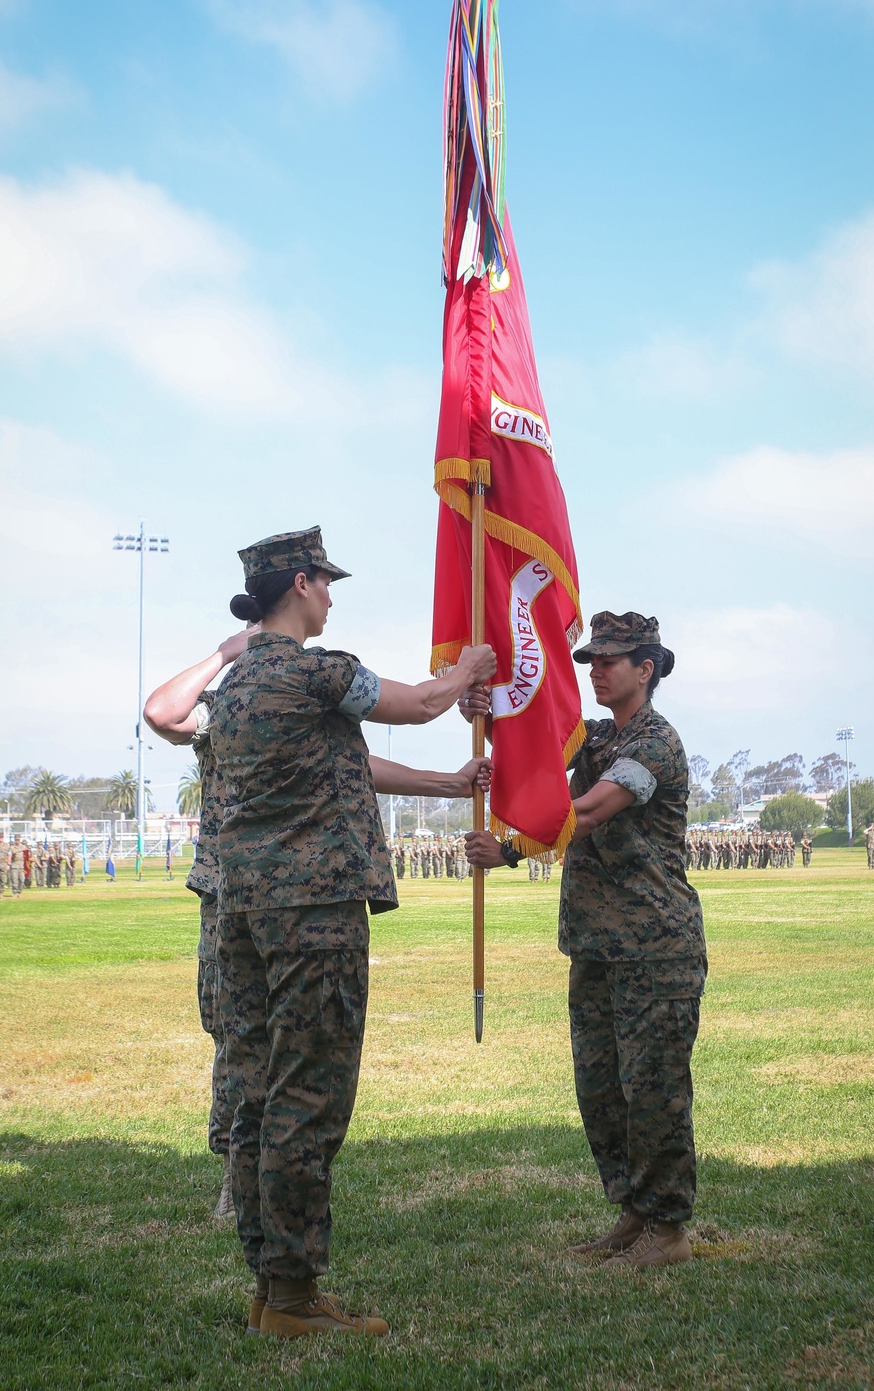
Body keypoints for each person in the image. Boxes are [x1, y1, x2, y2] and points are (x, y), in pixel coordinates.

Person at [203, 526, 494, 1339]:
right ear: (300, 583)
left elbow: (348, 763)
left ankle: (269, 1284)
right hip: (313, 916)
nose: (331, 596)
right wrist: (469, 668)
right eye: (326, 583)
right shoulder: (319, 671)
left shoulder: (237, 688)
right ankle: (294, 1300)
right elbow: (422, 704)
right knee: (307, 1098)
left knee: (260, 1097)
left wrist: (445, 781)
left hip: (244, 913)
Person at [466, 610, 705, 1269]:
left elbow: (594, 810)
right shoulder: (591, 738)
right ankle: (635, 1212)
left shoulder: (655, 742)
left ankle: (670, 1228)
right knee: (602, 1089)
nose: (595, 670)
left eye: (610, 660)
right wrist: (482, 705)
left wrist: (510, 849)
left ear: (645, 669)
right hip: (598, 945)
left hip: (655, 946)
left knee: (653, 1088)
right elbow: (528, 739)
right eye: (590, 660)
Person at [145, 629, 259, 1222]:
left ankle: (278, 1173)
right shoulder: (222, 710)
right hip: (225, 886)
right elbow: (161, 712)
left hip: (285, 887)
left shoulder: (301, 687)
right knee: (231, 1029)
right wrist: (224, 655)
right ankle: (234, 1175)